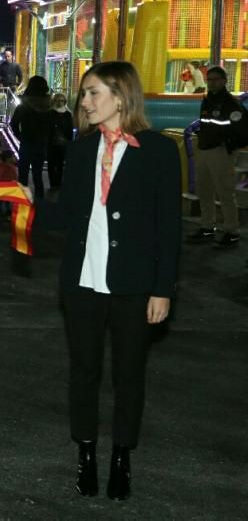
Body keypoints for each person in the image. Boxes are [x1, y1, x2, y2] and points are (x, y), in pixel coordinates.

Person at [29, 61, 180, 502]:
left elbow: (168, 227)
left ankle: (122, 457)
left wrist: (162, 288)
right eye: (83, 95)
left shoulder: (158, 151)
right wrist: (29, 204)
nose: (84, 102)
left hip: (135, 284)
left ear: (120, 95)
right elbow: (67, 214)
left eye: (93, 93)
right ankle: (87, 452)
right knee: (85, 371)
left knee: (130, 373)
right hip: (83, 282)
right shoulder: (79, 150)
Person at [186, 65, 247, 248]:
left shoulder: (231, 104)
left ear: (224, 81)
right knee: (204, 191)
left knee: (225, 192)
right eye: (209, 79)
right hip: (204, 150)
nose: (211, 83)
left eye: (215, 79)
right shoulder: (208, 100)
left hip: (219, 152)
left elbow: (244, 130)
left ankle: (231, 231)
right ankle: (207, 226)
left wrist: (229, 145)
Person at [11, 75, 53, 200]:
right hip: (41, 144)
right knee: (37, 175)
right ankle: (40, 204)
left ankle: (22, 202)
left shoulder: (23, 106)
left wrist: (20, 136)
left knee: (23, 175)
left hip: (26, 142)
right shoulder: (49, 106)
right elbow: (51, 126)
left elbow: (14, 124)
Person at [48, 91, 74, 190]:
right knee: (51, 164)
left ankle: (58, 183)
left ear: (65, 102)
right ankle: (52, 183)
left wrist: (69, 142)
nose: (59, 103)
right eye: (57, 100)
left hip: (63, 143)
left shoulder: (68, 114)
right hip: (51, 143)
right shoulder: (50, 113)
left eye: (62, 101)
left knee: (60, 164)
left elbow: (70, 129)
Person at [0, 149, 18, 218]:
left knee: (0, 199)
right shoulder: (11, 167)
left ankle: (0, 210)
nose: (15, 158)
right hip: (8, 186)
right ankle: (7, 209)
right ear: (8, 158)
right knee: (7, 199)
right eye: (13, 157)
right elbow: (14, 177)